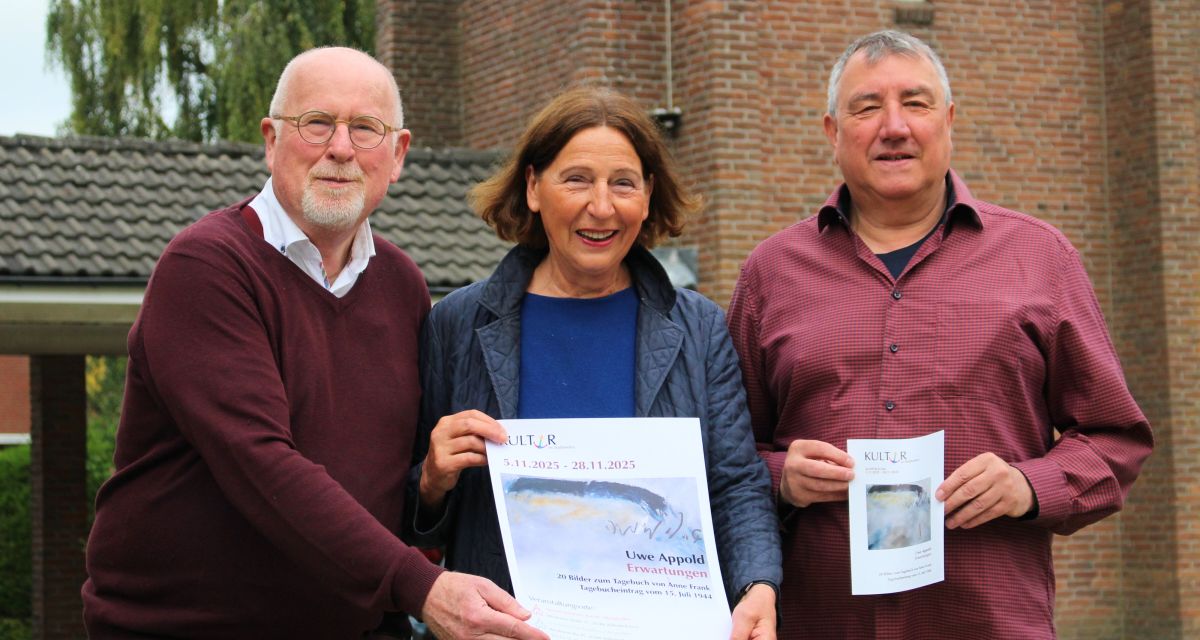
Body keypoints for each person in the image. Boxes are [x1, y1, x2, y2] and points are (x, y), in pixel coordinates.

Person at [82, 47, 546, 640]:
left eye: (366, 128)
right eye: (317, 123)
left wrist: (429, 481)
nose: (341, 148)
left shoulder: (401, 285)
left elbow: (388, 487)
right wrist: (423, 588)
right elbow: (259, 463)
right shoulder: (207, 268)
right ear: (271, 140)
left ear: (398, 155)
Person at [726, 30, 1153, 639]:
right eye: (867, 108)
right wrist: (779, 478)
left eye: (916, 103)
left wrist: (1028, 485)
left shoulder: (1040, 259)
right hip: (818, 623)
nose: (894, 127)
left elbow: (1116, 440)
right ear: (832, 132)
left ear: (949, 120)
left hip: (989, 623)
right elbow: (727, 455)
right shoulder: (771, 273)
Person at [404, 86, 783, 639]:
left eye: (623, 183)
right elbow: (410, 523)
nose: (601, 207)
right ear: (533, 187)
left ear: (648, 196)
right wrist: (432, 480)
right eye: (577, 179)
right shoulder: (456, 324)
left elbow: (736, 484)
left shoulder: (700, 328)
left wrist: (758, 586)